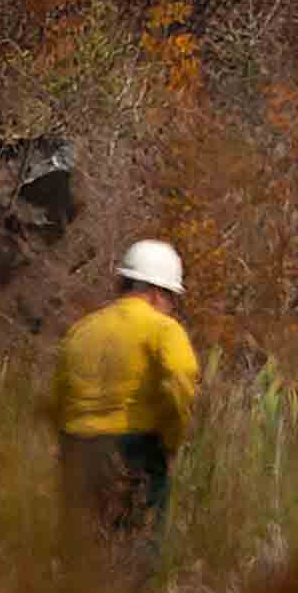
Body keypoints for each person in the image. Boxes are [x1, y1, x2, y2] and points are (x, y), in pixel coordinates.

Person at [51, 238, 199, 574]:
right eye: (172, 299)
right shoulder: (163, 329)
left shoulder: (81, 330)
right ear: (158, 293)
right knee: (136, 559)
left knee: (80, 557)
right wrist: (172, 438)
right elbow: (181, 376)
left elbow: (59, 395)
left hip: (76, 450)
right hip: (135, 452)